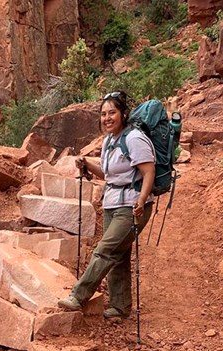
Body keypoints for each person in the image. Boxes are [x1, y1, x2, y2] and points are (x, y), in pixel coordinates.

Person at [58, 91, 156, 319]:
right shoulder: (110, 141)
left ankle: (78, 296)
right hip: (112, 204)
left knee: (105, 250)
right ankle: (120, 307)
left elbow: (148, 170)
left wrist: (141, 200)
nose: (107, 118)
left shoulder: (134, 138)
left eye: (112, 112)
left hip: (133, 205)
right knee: (118, 254)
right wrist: (87, 164)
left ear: (123, 114)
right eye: (103, 114)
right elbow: (109, 174)